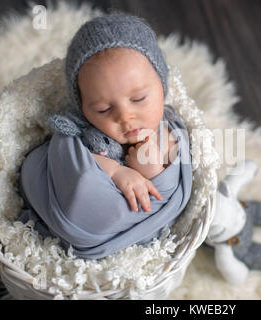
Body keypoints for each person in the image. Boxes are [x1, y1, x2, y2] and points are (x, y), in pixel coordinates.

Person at [17, 11, 193, 260]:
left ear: (162, 86)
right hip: (68, 206)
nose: (125, 117)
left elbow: (169, 192)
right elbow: (72, 166)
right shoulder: (82, 130)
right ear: (83, 108)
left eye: (139, 99)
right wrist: (116, 171)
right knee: (34, 165)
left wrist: (153, 173)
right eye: (103, 109)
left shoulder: (169, 131)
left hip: (103, 226)